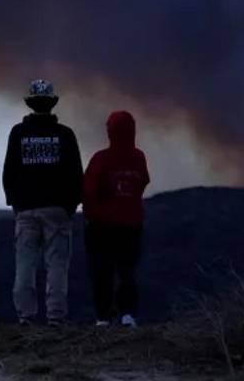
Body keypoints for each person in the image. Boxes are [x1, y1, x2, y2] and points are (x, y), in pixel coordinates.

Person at [2, 80, 83, 325]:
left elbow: (10, 171)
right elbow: (76, 173)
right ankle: (56, 317)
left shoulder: (19, 133)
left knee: (25, 264)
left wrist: (16, 204)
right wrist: (70, 205)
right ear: (52, 104)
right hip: (57, 209)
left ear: (31, 104)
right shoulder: (64, 134)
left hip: (26, 209)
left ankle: (25, 316)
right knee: (56, 265)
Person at [82, 110, 149, 327]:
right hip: (131, 225)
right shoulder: (138, 157)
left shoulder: (101, 158)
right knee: (127, 270)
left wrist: (91, 213)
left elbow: (88, 190)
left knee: (103, 272)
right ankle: (127, 314)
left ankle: (103, 316)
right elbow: (143, 182)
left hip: (102, 226)